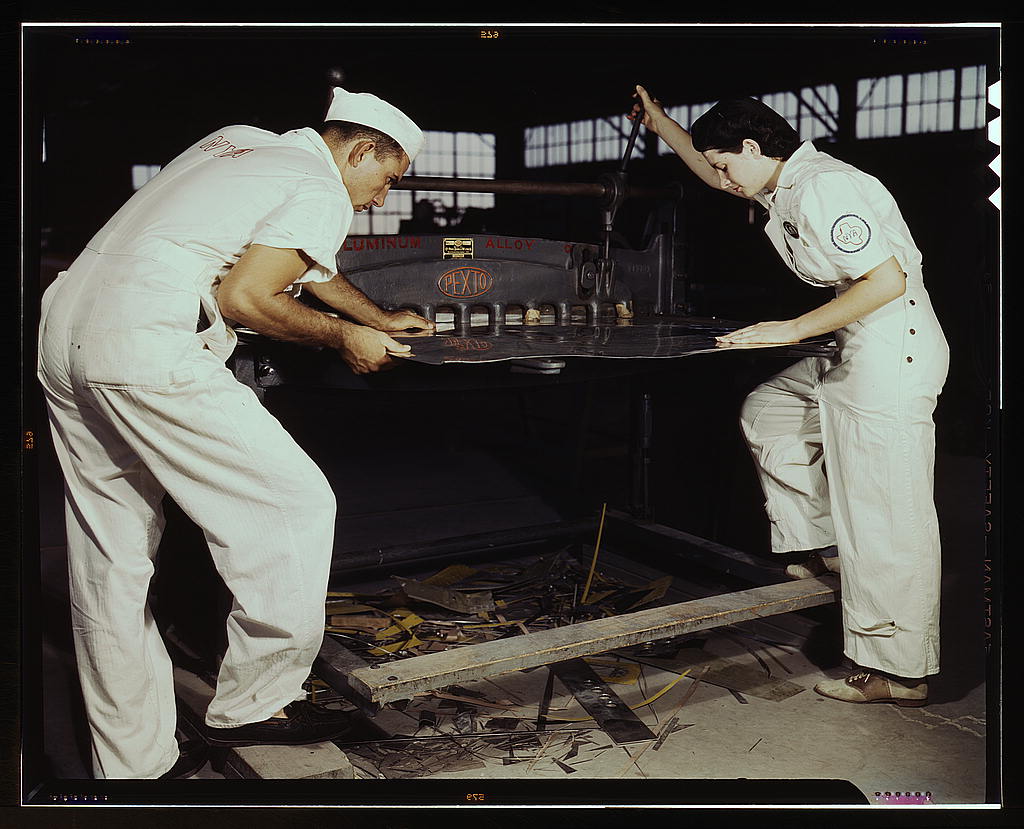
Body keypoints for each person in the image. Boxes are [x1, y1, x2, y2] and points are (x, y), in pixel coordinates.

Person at [36, 85, 436, 779]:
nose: (379, 198)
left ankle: (135, 767)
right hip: (147, 343)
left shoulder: (240, 140)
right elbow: (246, 296)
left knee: (111, 560)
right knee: (293, 506)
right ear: (363, 149)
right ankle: (256, 703)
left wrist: (373, 317)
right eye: (387, 180)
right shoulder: (322, 186)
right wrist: (346, 339)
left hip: (67, 329)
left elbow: (298, 260)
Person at [631, 85, 948, 707]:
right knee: (771, 410)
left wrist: (791, 329)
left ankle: (899, 672)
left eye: (726, 164)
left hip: (891, 347)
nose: (722, 179)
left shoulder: (825, 187)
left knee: (886, 515)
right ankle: (822, 545)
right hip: (851, 340)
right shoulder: (778, 181)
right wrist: (663, 122)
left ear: (752, 146)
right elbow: (711, 165)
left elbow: (887, 280)